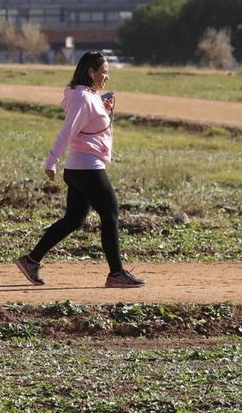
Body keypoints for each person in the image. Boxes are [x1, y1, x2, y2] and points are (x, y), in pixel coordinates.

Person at [15, 50, 145, 289]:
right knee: (111, 213)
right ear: (91, 72)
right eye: (103, 72)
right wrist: (51, 161)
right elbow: (67, 131)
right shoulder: (83, 99)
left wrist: (105, 108)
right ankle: (116, 273)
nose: (107, 77)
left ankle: (31, 260)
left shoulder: (88, 96)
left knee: (73, 219)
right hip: (87, 168)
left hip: (79, 167)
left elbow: (91, 124)